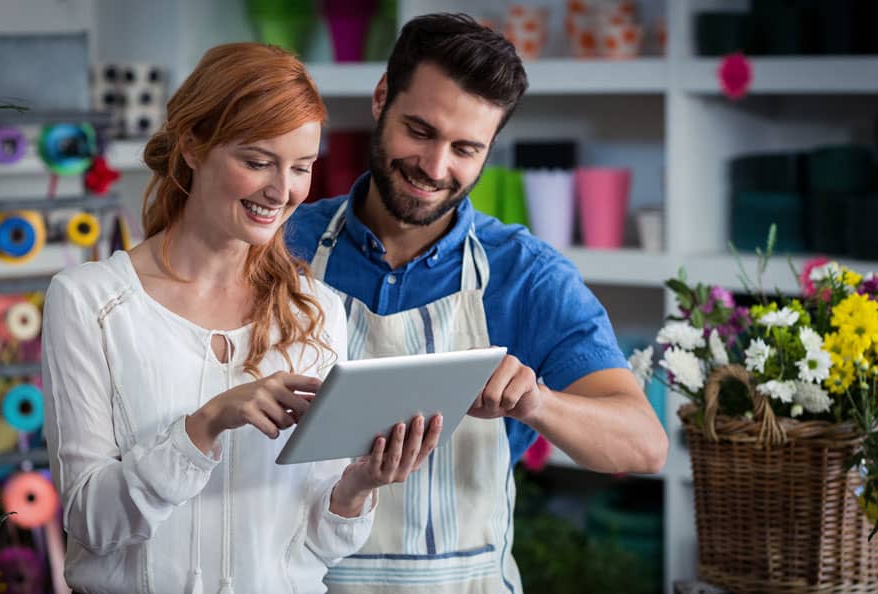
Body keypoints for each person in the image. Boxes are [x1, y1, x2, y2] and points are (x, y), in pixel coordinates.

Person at [285, 13, 669, 593]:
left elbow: (644, 444)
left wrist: (537, 403)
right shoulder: (285, 246)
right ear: (382, 97)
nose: (435, 168)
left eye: (465, 147)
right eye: (420, 131)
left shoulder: (526, 276)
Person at [41, 43, 440, 594]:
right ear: (191, 147)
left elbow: (318, 546)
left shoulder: (315, 310)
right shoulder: (90, 301)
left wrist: (358, 486)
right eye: (257, 162)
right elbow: (93, 521)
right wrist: (205, 425)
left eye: (301, 168)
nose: (282, 191)